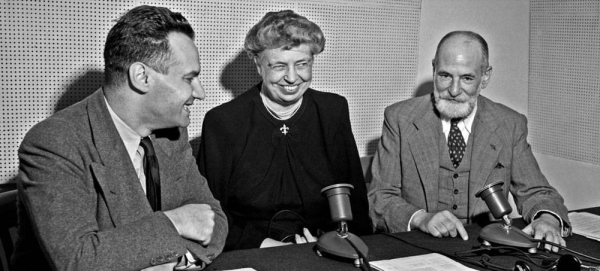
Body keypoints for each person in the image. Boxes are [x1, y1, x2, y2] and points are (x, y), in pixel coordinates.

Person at [13, 5, 227, 270]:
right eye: (189, 78)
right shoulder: (54, 142)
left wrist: (180, 260)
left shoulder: (171, 133)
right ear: (141, 77)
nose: (200, 92)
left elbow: (212, 220)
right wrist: (175, 222)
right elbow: (78, 260)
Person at [368, 30, 570, 252]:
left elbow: (537, 192)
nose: (454, 90)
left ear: (485, 77)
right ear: (434, 68)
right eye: (445, 75)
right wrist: (420, 219)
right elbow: (379, 197)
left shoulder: (509, 124)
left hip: (485, 251)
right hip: (418, 248)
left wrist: (548, 219)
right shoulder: (400, 119)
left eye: (466, 78)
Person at [197, 10, 372, 251]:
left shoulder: (333, 111)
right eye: (279, 66)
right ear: (259, 65)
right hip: (251, 250)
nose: (292, 78)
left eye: (302, 64)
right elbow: (211, 214)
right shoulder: (223, 122)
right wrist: (265, 245)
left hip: (326, 246)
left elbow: (356, 204)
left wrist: (336, 243)